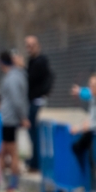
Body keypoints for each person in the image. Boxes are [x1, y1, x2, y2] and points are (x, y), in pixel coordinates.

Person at [0, 50, 30, 192]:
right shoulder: (18, 75)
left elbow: (17, 99)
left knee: (11, 152)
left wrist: (23, 117)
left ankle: (11, 185)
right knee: (5, 152)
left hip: (9, 119)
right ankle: (4, 184)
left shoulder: (12, 77)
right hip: (8, 118)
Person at [24, 35, 54, 172]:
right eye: (28, 46)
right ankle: (34, 160)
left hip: (36, 101)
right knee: (32, 133)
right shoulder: (31, 61)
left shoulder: (40, 62)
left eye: (32, 45)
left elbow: (32, 79)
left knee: (35, 133)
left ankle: (36, 163)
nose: (30, 48)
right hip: (31, 100)